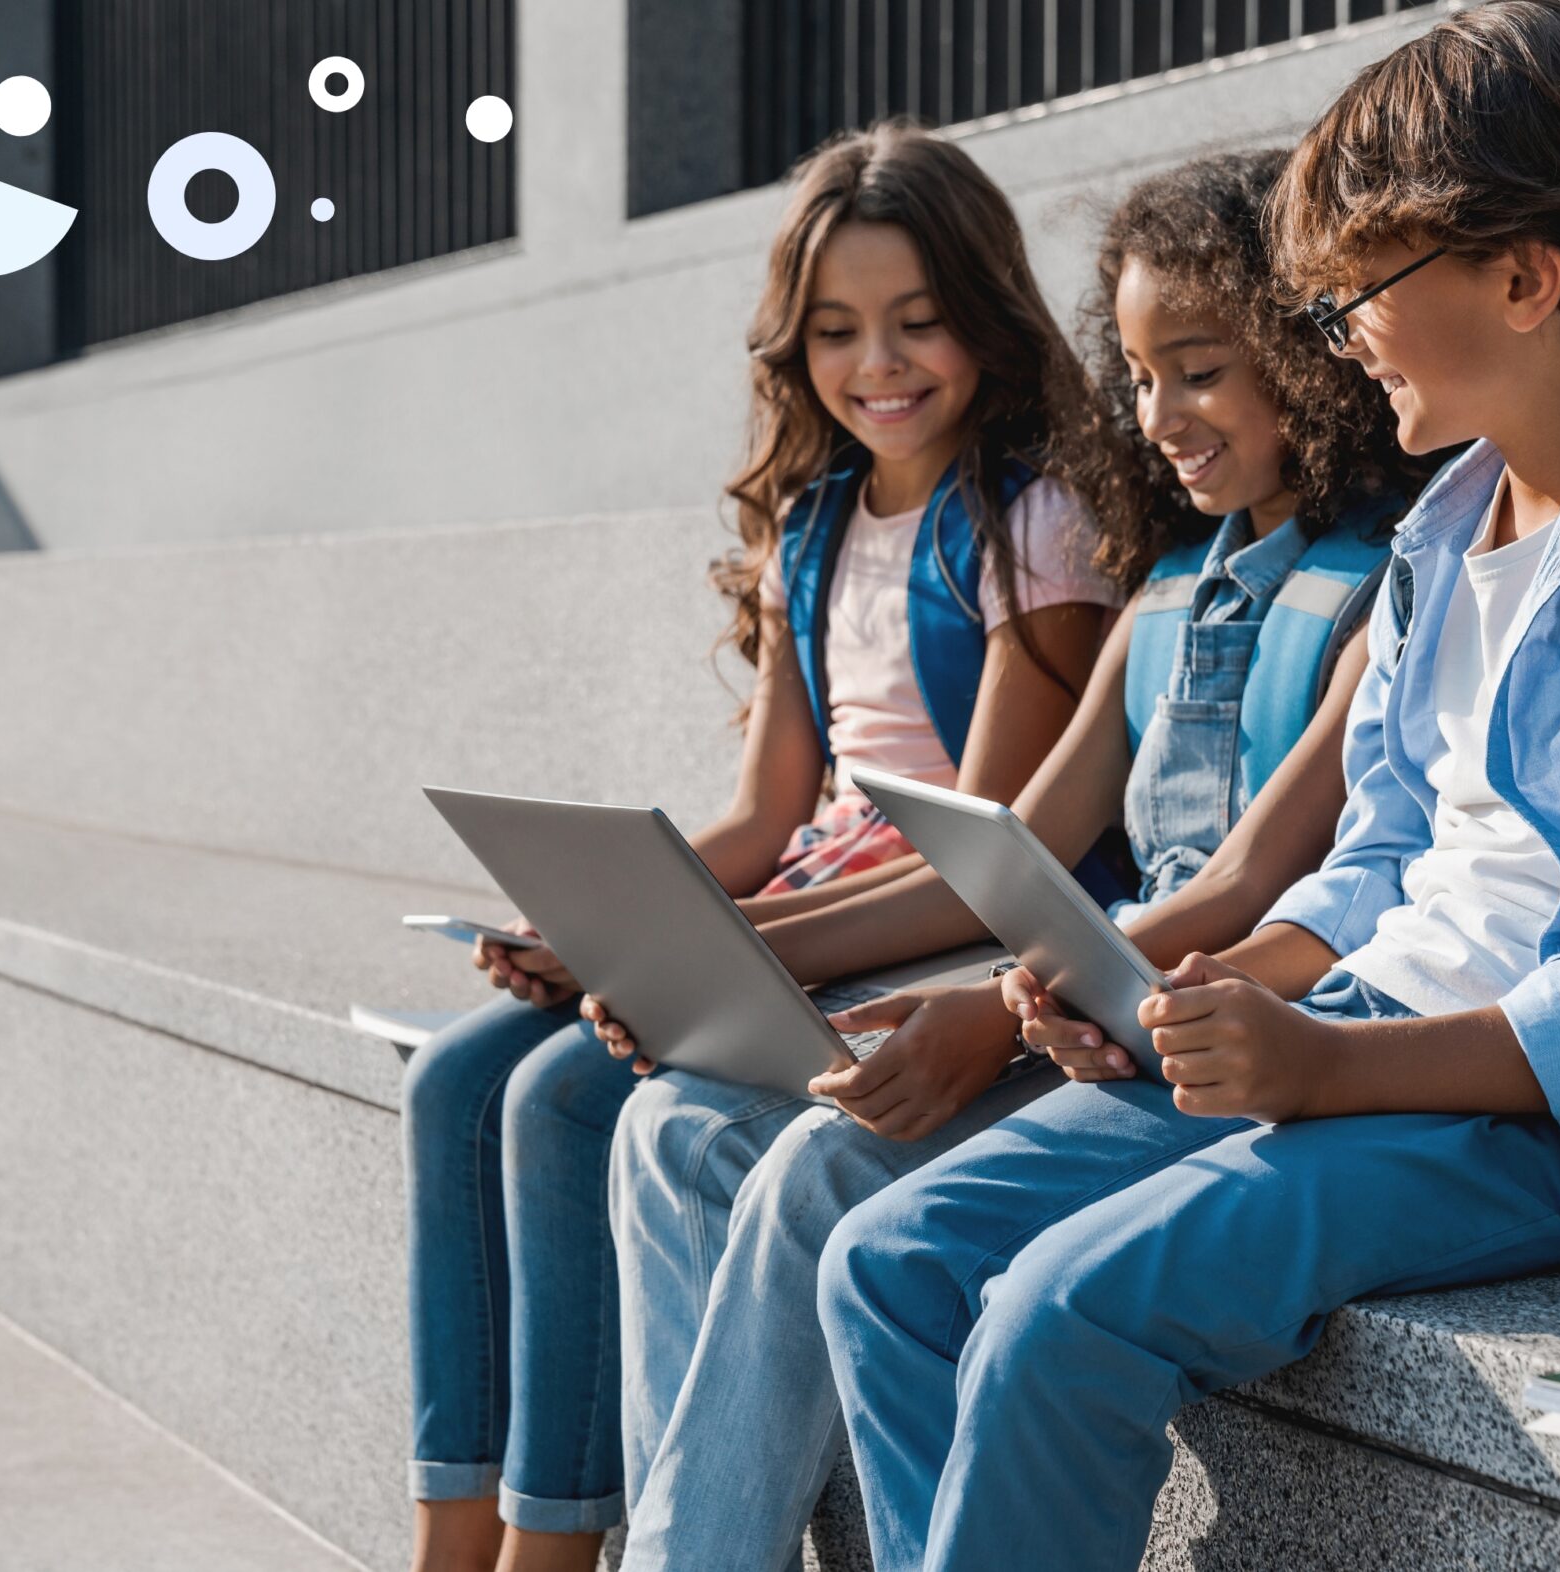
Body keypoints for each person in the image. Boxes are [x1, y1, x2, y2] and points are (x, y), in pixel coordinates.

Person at [817, 6, 1560, 1569]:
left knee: (1065, 1312)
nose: (1340, 343)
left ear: (1526, 277)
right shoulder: (1438, 543)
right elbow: (1372, 871)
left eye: (1356, 299)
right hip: (1366, 1037)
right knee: (894, 1257)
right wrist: (1164, 998)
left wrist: (1327, 1076)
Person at [590, 149, 1432, 1572]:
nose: (1159, 416)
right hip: (1088, 1015)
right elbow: (1021, 850)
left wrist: (991, 1017)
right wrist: (742, 964)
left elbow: (1253, 894)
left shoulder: (1381, 593)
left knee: (825, 1183)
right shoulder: (1164, 593)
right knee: (682, 1131)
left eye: (1203, 370)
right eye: (1143, 375)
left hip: (1221, 1039)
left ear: (1310, 354)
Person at [400, 121, 1123, 1572]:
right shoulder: (811, 526)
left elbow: (977, 866)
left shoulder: (1025, 524)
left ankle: (562, 1543)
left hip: (929, 941)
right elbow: (762, 815)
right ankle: (454, 1530)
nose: (883, 365)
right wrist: (597, 919)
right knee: (457, 1074)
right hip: (811, 911)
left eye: (921, 323)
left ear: (987, 313)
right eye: (841, 331)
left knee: (561, 1103)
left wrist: (715, 952)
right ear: (795, 348)